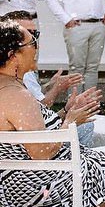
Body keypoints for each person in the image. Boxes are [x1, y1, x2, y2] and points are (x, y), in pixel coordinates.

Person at [0, 20, 105, 207]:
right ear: (13, 56)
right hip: (29, 188)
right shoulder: (16, 95)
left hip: (14, 180)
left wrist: (66, 111)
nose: (37, 48)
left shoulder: (10, 88)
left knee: (102, 162)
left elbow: (35, 132)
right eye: (32, 43)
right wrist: (70, 123)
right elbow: (41, 152)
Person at [0, 11, 95, 147]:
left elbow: (35, 108)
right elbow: (41, 150)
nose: (35, 43)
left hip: (42, 147)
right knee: (86, 128)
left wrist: (65, 108)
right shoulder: (14, 91)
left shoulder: (15, 78)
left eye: (35, 35)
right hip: (44, 160)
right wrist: (69, 121)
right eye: (28, 36)